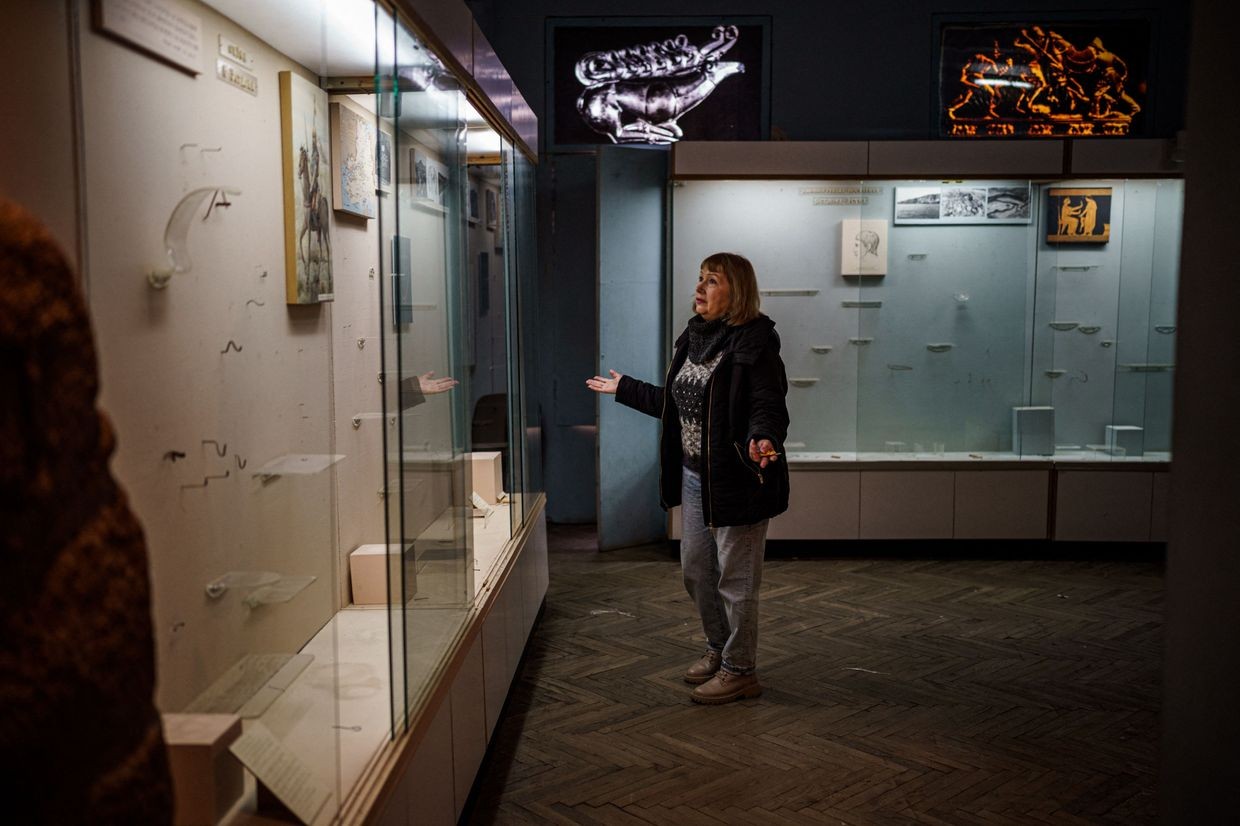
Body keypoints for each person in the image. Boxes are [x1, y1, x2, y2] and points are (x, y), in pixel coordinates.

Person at [586, 252, 790, 704]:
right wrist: (626, 389)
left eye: (712, 280)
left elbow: (768, 403)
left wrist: (763, 436)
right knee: (697, 571)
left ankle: (741, 670)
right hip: (696, 477)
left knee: (736, 583)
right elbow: (678, 407)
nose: (699, 288)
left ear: (734, 291)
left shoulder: (756, 341)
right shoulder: (695, 337)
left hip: (740, 477)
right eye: (699, 278)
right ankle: (719, 649)